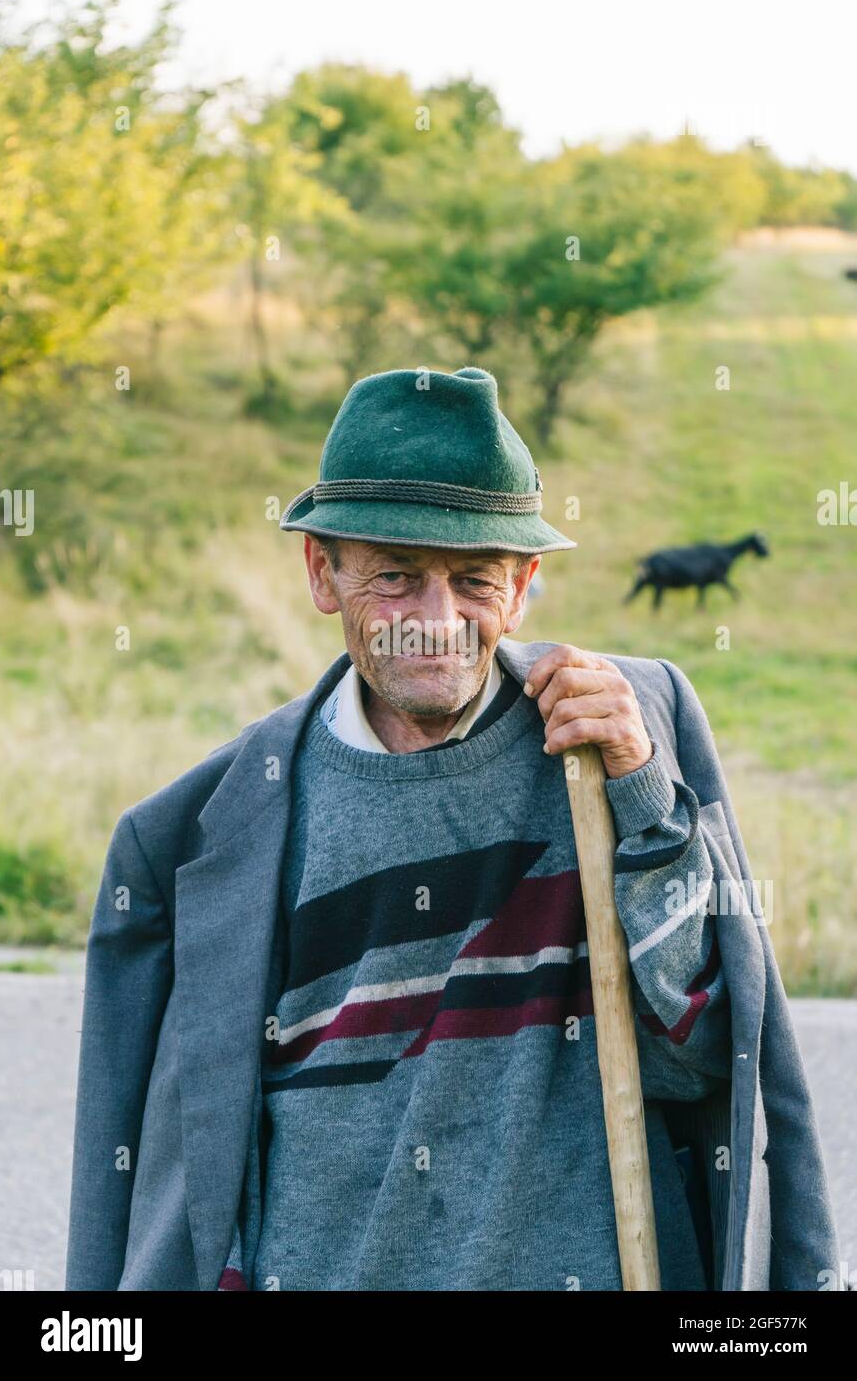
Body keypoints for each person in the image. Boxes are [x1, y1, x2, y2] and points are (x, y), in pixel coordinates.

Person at [65, 366, 840, 1292]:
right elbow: (158, 1199)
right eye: (395, 575)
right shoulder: (199, 834)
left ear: (523, 590)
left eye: (474, 579)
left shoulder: (616, 744)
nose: (434, 622)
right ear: (323, 572)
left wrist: (643, 798)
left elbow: (705, 1060)